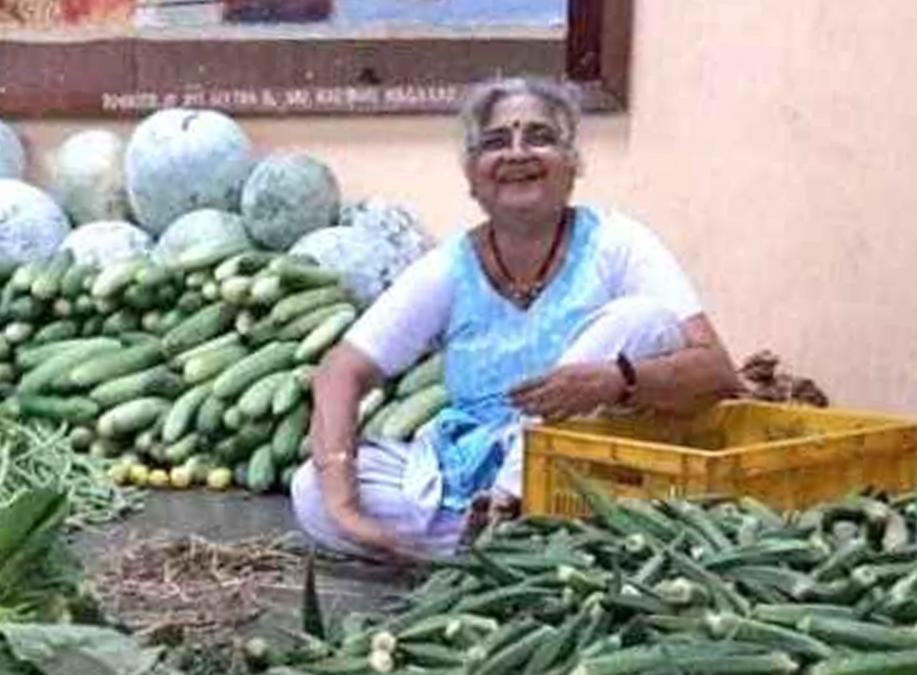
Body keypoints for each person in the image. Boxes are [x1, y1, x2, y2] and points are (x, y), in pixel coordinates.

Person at [291, 76, 745, 561]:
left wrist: (615, 380)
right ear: (472, 176)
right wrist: (345, 504)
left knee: (644, 319)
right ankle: (514, 541)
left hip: (588, 473)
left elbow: (716, 372)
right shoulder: (452, 267)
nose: (517, 152)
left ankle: (511, 518)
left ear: (573, 166)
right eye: (495, 142)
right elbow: (343, 368)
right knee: (311, 492)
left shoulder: (617, 244)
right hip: (473, 477)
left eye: (541, 137)